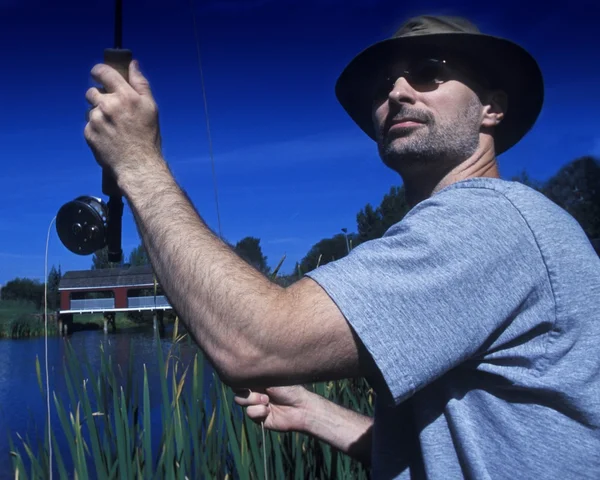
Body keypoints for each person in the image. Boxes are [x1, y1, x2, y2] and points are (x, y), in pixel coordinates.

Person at [83, 13, 600, 480]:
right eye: (383, 85)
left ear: (491, 108)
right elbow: (449, 454)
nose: (396, 91)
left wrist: (137, 163)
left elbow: (255, 342)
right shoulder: (475, 233)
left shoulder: (489, 222)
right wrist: (315, 412)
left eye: (428, 71)